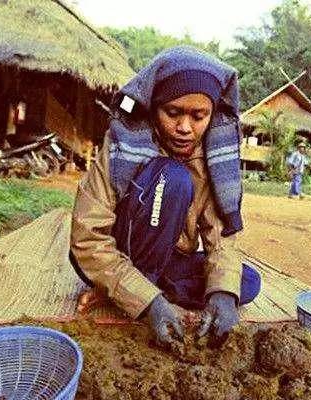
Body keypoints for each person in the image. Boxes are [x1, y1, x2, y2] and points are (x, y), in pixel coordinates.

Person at [70, 47, 261, 348]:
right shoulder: (123, 145)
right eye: (173, 113)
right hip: (122, 252)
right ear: (154, 106)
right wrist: (151, 306)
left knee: (244, 282)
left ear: (212, 114)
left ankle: (121, 289)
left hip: (168, 260)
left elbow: (221, 237)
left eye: (199, 116)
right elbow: (88, 238)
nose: (185, 128)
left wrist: (222, 293)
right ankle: (140, 292)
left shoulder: (212, 157)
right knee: (172, 178)